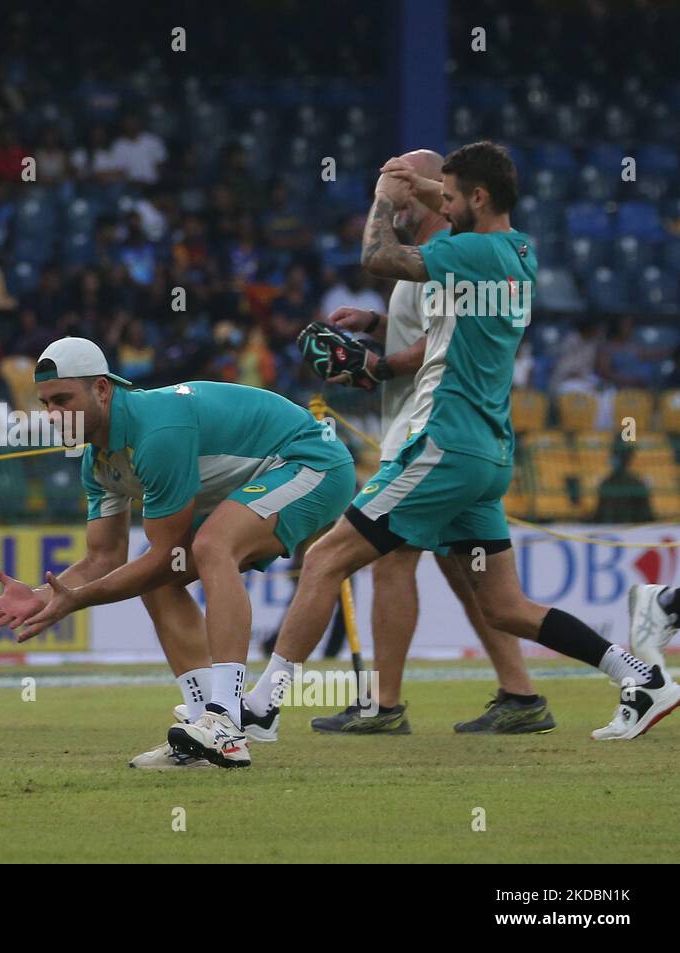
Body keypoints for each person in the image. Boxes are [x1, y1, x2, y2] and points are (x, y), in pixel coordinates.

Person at [242, 140, 678, 743]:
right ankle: (641, 678)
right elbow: (448, 261)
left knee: (324, 558)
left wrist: (381, 198)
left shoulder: (463, 250)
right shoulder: (518, 250)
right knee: (504, 607)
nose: (439, 205)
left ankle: (262, 708)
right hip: (486, 449)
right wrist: (417, 189)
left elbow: (378, 256)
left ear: (476, 198)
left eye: (449, 197)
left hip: (443, 440)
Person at [0, 337, 356, 768]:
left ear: (102, 389)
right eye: (46, 404)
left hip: (312, 462)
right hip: (254, 477)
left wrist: (75, 601)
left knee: (210, 546)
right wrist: (44, 597)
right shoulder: (97, 463)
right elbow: (104, 559)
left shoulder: (157, 432)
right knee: (158, 580)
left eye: (64, 400)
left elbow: (164, 552)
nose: (54, 415)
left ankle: (226, 720)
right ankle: (202, 727)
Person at [312, 149, 556, 735]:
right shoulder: (467, 251)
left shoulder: (451, 252)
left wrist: (378, 369)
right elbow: (433, 327)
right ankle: (520, 693)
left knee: (389, 556)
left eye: (425, 185)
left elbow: (434, 345)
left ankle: (384, 703)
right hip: (449, 429)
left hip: (430, 427)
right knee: (470, 574)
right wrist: (374, 327)